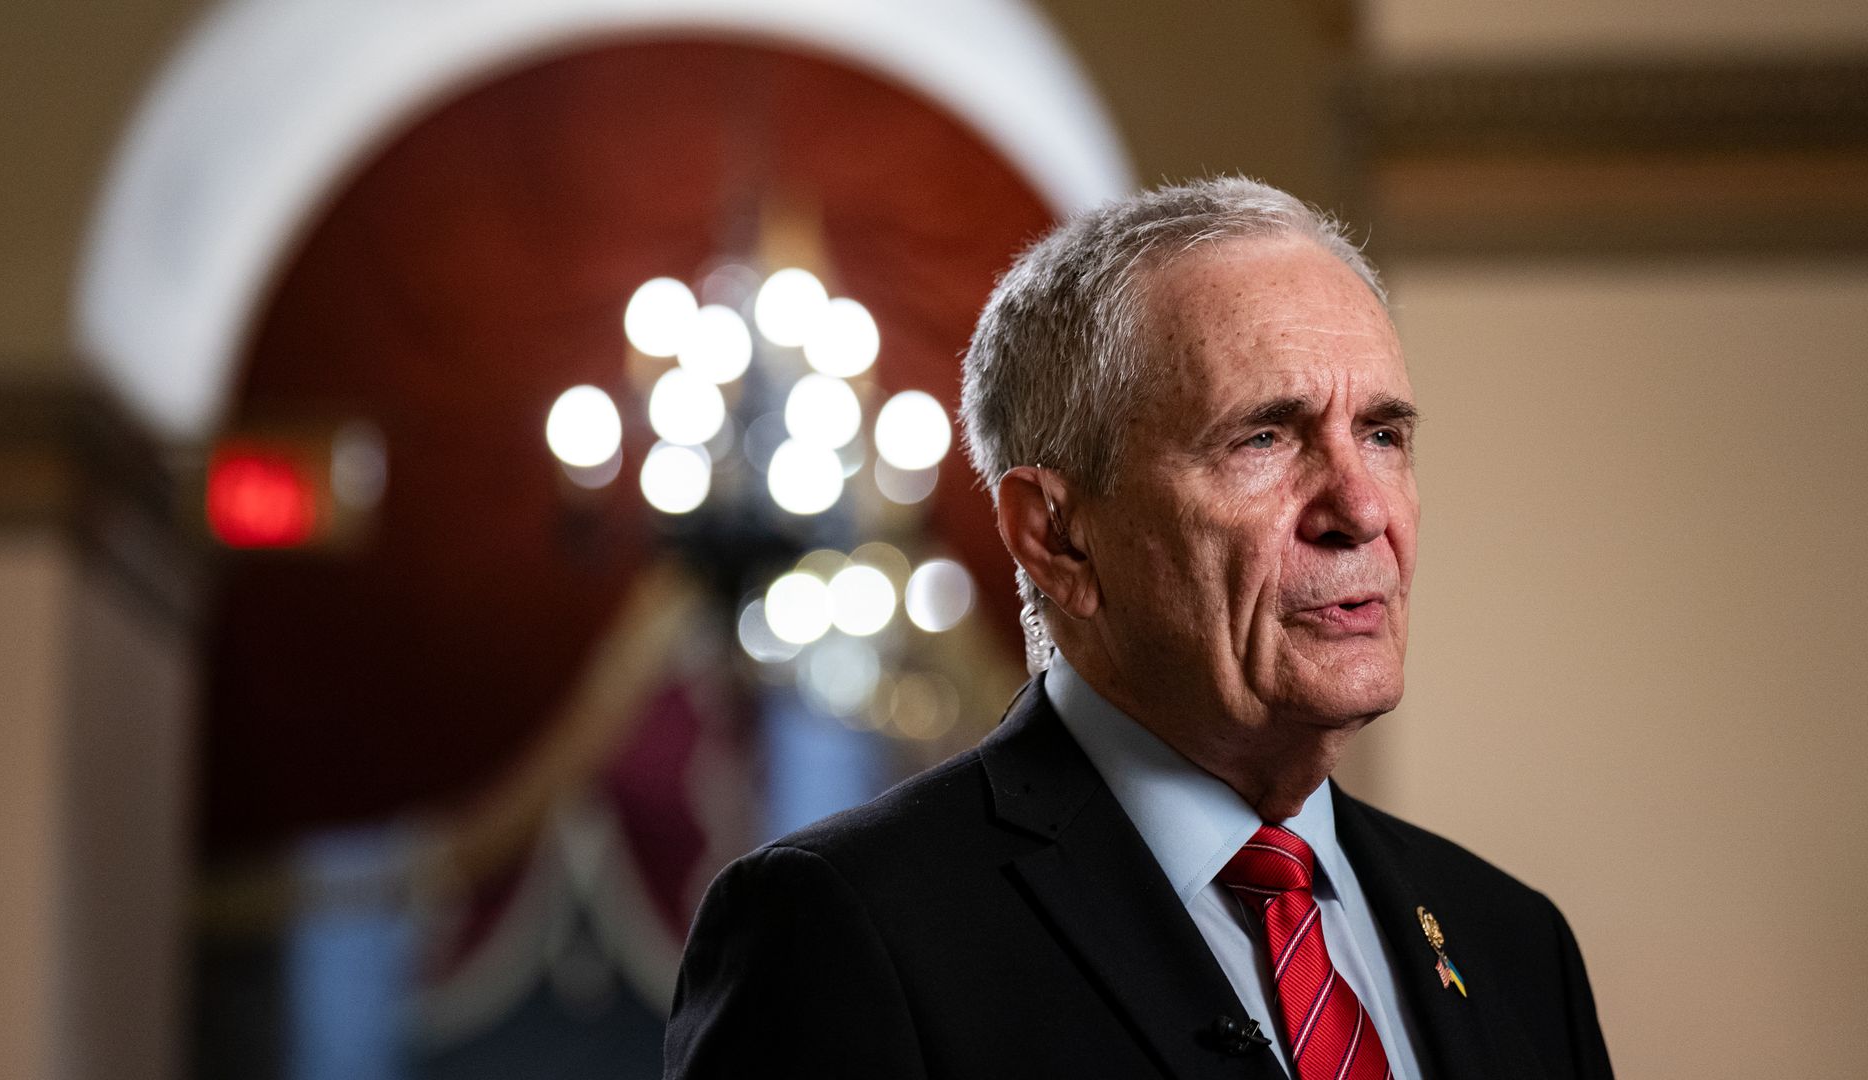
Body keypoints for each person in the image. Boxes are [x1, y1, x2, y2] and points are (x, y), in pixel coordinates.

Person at [663, 177, 1613, 1079]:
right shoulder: (841, 930)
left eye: (1383, 435)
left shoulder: (1514, 943)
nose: (1360, 510)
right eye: (1264, 437)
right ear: (1058, 535)